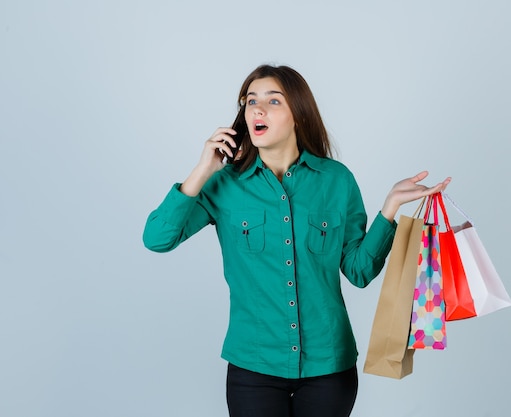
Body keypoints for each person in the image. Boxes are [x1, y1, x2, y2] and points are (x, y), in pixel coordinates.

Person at [143, 64, 451, 417]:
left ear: (298, 116)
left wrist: (390, 208)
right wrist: (202, 170)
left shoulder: (336, 180)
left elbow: (359, 271)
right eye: (250, 101)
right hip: (253, 367)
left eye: (273, 101)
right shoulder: (222, 184)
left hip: (329, 368)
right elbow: (156, 239)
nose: (257, 109)